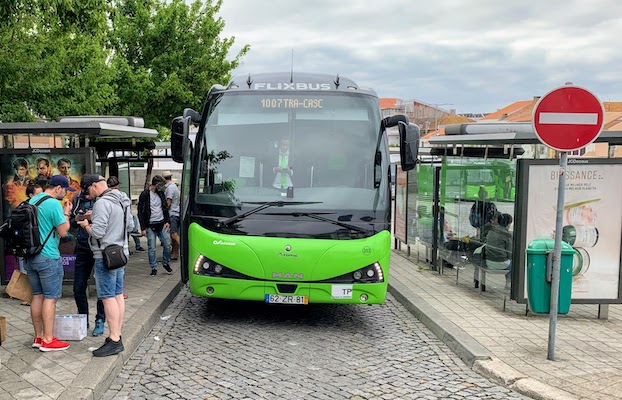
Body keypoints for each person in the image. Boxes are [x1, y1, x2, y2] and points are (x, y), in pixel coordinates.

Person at [77, 174, 133, 357]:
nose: (88, 195)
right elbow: (130, 226)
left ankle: (114, 340)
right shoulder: (122, 199)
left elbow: (98, 232)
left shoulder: (101, 203)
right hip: (120, 253)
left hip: (105, 255)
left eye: (88, 190)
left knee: (107, 296)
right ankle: (117, 334)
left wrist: (86, 224)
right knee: (117, 294)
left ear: (94, 186)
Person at [25, 175, 75, 352]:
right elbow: (63, 232)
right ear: (58, 188)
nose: (65, 194)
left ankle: (38, 337)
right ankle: (48, 339)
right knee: (50, 298)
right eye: (65, 190)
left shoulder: (32, 200)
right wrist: (66, 213)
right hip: (47, 256)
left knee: (37, 296)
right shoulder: (53, 203)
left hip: (30, 256)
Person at [71, 177, 106, 336]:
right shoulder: (76, 198)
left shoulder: (103, 199)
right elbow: (72, 222)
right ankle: (82, 319)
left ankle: (100, 319)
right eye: (84, 192)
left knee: (101, 287)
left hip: (99, 248)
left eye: (88, 191)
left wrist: (90, 218)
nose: (87, 195)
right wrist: (78, 218)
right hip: (83, 246)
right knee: (78, 287)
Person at [138, 175, 172, 276]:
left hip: (161, 223)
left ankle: (165, 262)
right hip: (150, 224)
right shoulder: (145, 194)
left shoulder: (161, 193)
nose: (162, 187)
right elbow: (140, 211)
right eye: (161, 185)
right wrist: (143, 227)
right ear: (156, 185)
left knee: (167, 245)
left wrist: (167, 221)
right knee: (151, 247)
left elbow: (165, 208)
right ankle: (153, 267)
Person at [106, 176, 144, 253]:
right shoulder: (123, 195)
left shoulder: (103, 198)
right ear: (117, 185)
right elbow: (128, 213)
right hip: (123, 224)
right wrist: (130, 227)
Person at [484, 213, 513, 289]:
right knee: (515, 263)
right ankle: (508, 283)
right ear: (508, 224)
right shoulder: (507, 234)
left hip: (488, 262)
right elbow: (510, 253)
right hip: (501, 264)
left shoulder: (491, 231)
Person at [162, 171, 180, 261]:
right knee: (174, 235)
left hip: (172, 213)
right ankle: (174, 254)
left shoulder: (170, 188)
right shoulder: (174, 187)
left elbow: (168, 203)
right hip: (176, 213)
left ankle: (185, 250)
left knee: (173, 234)